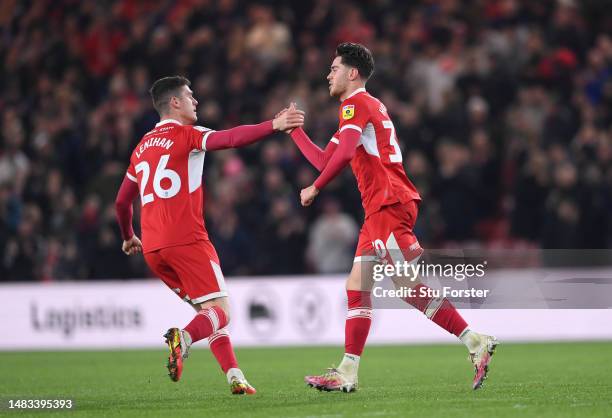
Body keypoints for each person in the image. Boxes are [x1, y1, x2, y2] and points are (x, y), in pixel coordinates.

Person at [287, 43, 497, 392]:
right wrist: (294, 131)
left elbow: (333, 167)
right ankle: (348, 371)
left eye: (334, 68)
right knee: (357, 287)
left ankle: (475, 341)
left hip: (388, 204)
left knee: (407, 286)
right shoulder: (360, 110)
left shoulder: (357, 104)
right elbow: (328, 158)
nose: (328, 74)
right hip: (377, 212)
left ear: (352, 73)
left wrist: (315, 188)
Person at [114, 75, 304, 394]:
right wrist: (275, 124)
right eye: (190, 96)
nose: (196, 101)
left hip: (153, 249)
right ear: (175, 102)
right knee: (221, 312)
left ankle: (235, 376)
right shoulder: (187, 135)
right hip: (186, 239)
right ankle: (184, 338)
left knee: (209, 313)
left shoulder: (141, 148)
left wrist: (128, 235)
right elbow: (229, 139)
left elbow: (121, 201)